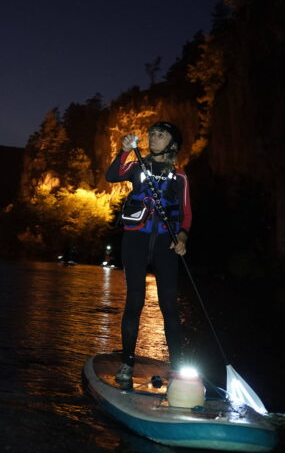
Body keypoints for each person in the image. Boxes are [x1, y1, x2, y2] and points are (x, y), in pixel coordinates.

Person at [106, 121, 192, 384]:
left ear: (172, 144)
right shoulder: (136, 167)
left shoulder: (180, 177)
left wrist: (182, 237)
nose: (154, 137)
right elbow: (112, 175)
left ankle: (177, 368)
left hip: (167, 244)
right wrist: (124, 150)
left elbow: (186, 214)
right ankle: (127, 362)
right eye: (152, 134)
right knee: (135, 301)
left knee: (169, 306)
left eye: (161, 134)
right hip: (136, 241)